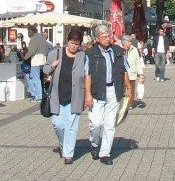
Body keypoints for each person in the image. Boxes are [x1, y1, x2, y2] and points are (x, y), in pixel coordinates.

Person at [46, 28, 89, 164]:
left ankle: (68, 155)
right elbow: (45, 70)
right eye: (71, 42)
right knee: (57, 124)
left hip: (75, 96)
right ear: (67, 41)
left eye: (76, 44)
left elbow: (87, 75)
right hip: (58, 95)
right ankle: (64, 145)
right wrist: (52, 66)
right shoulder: (56, 53)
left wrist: (88, 94)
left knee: (71, 126)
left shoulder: (83, 56)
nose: (73, 46)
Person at [84, 22, 122, 164]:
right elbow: (87, 75)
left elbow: (124, 70)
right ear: (97, 38)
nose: (108, 38)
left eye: (109, 35)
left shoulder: (117, 51)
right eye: (105, 36)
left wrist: (129, 90)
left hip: (113, 90)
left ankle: (105, 153)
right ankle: (94, 143)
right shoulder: (90, 54)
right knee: (96, 123)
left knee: (110, 124)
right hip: (97, 91)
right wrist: (87, 94)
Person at [25, 28, 51, 100]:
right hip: (42, 61)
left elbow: (32, 50)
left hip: (36, 61)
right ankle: (38, 94)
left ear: (32, 31)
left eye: (29, 31)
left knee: (35, 79)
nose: (28, 33)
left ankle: (38, 96)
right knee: (37, 78)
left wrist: (25, 57)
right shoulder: (41, 37)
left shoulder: (34, 38)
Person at [124, 34, 146, 108]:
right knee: (123, 89)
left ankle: (130, 103)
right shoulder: (120, 49)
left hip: (132, 73)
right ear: (124, 42)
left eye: (131, 41)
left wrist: (140, 73)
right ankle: (123, 103)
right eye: (129, 41)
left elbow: (138, 62)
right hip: (122, 74)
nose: (130, 43)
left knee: (131, 89)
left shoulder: (134, 49)